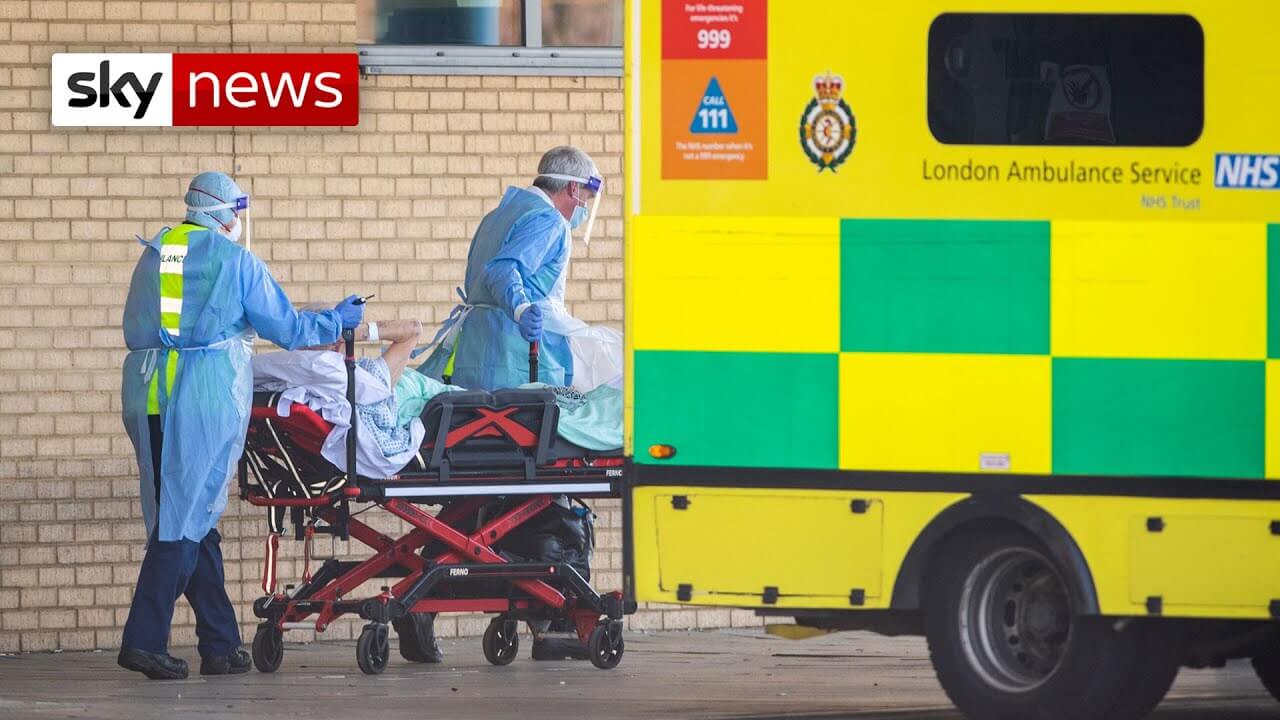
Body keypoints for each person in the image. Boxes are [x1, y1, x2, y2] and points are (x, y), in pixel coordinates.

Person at [118, 171, 364, 680]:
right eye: (237, 211)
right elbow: (289, 329)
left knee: (192, 517)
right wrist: (337, 319)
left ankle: (220, 644)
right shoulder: (235, 261)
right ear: (226, 213)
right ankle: (143, 640)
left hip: (148, 393)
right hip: (201, 398)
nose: (238, 221)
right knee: (182, 521)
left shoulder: (158, 253)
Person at [419, 145, 603, 391]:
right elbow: (502, 271)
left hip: (476, 348)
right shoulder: (548, 220)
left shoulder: (496, 217)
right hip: (515, 356)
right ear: (573, 188)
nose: (584, 209)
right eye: (586, 198)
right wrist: (521, 309)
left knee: (478, 414)